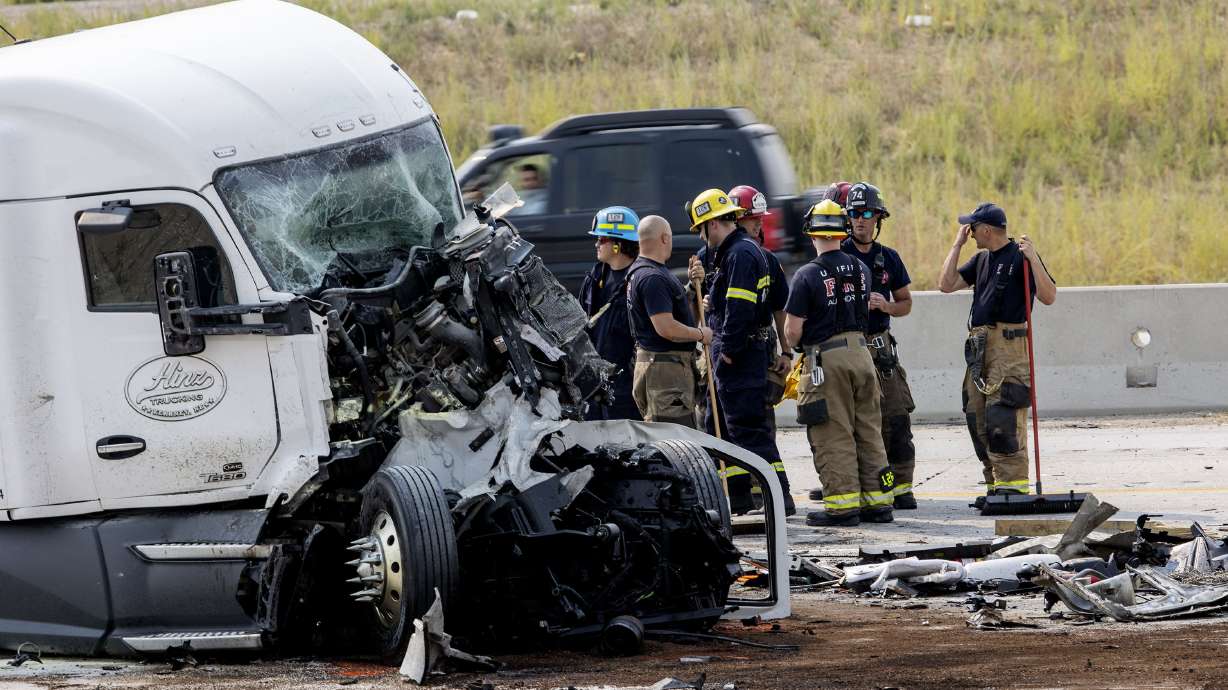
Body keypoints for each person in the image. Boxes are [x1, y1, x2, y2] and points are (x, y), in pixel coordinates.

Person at [785, 200, 895, 527]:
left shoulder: (807, 275)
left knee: (833, 433)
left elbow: (792, 331)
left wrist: (797, 347)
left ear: (811, 232)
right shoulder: (861, 270)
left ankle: (843, 505)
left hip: (826, 360)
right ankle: (879, 502)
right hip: (862, 354)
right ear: (843, 230)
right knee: (868, 429)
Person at [938, 202, 1057, 497]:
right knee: (976, 413)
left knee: (1004, 413)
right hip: (980, 346)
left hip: (1009, 347)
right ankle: (995, 484)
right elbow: (946, 284)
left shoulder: (1021, 256)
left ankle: (1013, 487)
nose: (971, 233)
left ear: (987, 229)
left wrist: (1034, 259)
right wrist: (957, 245)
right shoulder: (980, 260)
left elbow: (1049, 296)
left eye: (973, 228)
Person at [688, 188, 794, 516]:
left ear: (712, 224)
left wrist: (729, 352)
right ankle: (739, 498)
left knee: (749, 428)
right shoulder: (731, 254)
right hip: (733, 353)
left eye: (702, 229)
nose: (702, 237)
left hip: (740, 355)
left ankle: (779, 498)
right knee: (720, 428)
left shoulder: (740, 254)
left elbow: (739, 309)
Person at [841, 182, 918, 510]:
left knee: (897, 417)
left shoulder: (889, 259)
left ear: (879, 219)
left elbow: (906, 303)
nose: (861, 220)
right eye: (856, 213)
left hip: (881, 349)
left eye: (868, 213)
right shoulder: (836, 256)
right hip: (848, 350)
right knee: (855, 422)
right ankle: (862, 487)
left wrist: (885, 306)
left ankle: (900, 487)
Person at [626, 215, 712, 426]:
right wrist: (701, 335)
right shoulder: (652, 278)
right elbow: (666, 328)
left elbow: (676, 314)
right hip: (665, 376)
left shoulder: (645, 272)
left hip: (664, 370)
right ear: (665, 238)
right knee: (676, 437)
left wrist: (692, 288)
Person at [578, 206, 643, 422]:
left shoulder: (640, 280)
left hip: (626, 382)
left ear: (618, 243)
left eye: (602, 239)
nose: (596, 244)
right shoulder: (595, 277)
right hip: (595, 380)